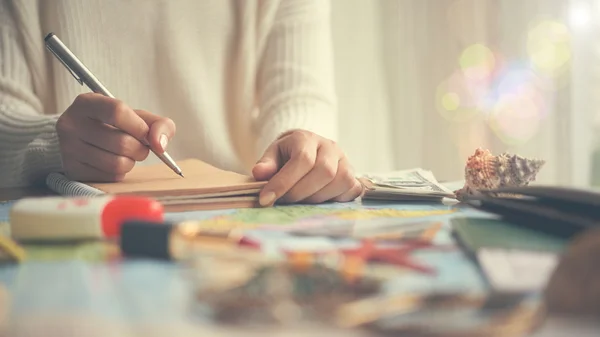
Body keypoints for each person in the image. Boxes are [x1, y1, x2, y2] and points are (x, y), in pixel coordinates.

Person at [0, 0, 363, 206]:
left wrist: (303, 144)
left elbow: (301, 97)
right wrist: (50, 143)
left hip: (238, 213)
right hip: (76, 219)